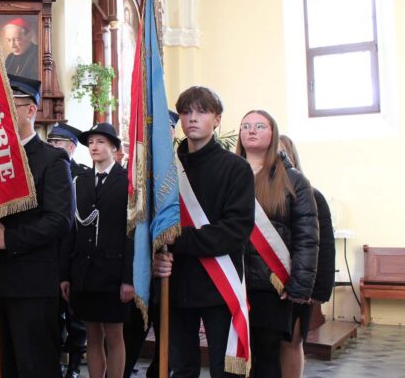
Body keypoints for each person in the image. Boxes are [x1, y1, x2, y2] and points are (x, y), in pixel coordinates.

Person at [0, 74, 74, 378]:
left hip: (32, 282)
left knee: (35, 366)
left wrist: (11, 238)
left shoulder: (51, 159)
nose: (2, 112)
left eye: (10, 105)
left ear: (30, 111)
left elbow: (59, 220)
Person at [167, 86, 254, 378]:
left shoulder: (236, 168)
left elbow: (235, 230)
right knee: (181, 368)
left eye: (202, 111)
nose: (192, 118)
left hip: (219, 284)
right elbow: (154, 225)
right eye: (186, 111)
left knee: (224, 370)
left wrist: (177, 239)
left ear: (217, 119)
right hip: (176, 282)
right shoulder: (168, 170)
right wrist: (157, 252)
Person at [235, 110, 318, 378]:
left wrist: (299, 286)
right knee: (233, 358)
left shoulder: (292, 179)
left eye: (260, 126)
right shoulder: (228, 173)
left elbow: (308, 237)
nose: (251, 130)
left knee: (267, 358)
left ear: (273, 133)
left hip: (271, 285)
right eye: (245, 125)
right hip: (233, 282)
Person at [60, 123, 134, 378]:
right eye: (91, 142)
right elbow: (72, 230)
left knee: (114, 336)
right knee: (92, 335)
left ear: (114, 147)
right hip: (84, 272)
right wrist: (66, 274)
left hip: (113, 272)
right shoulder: (79, 181)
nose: (94, 147)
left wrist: (128, 279)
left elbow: (130, 234)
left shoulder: (126, 182)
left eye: (101, 142)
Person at [123, 110, 178, 378]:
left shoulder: (182, 172)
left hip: (173, 271)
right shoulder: (132, 173)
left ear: (173, 132)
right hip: (138, 269)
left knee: (169, 345)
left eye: (163, 128)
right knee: (131, 336)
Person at [278, 134, 335, 378]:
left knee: (291, 342)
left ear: (290, 157)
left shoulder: (311, 194)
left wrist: (316, 292)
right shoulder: (250, 194)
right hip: (265, 284)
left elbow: (324, 247)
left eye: (279, 153)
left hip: (298, 284)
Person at [47, 122, 89, 378]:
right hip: (50, 254)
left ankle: (74, 365)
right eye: (50, 142)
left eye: (58, 143)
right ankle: (54, 362)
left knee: (75, 317)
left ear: (71, 147)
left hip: (72, 251)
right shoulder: (45, 170)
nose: (52, 146)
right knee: (51, 316)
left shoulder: (82, 176)